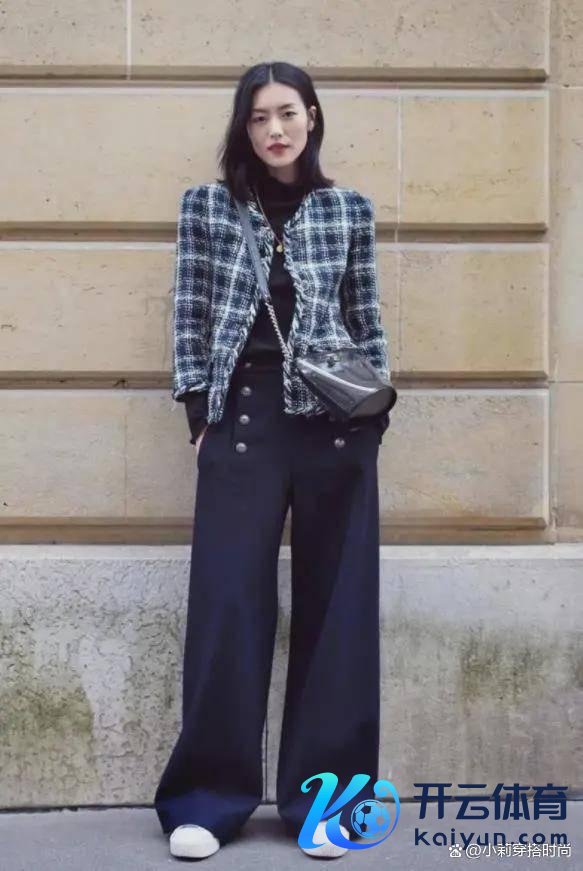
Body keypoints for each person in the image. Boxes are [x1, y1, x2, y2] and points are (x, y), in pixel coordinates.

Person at [154, 59, 393, 861]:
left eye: (286, 112)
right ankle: (207, 799)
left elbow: (365, 316)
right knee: (228, 607)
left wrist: (373, 419)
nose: (274, 130)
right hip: (243, 422)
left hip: (334, 429)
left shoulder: (346, 209)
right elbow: (189, 309)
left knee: (338, 616)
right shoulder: (208, 205)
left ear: (312, 116)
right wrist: (200, 413)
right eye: (258, 117)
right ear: (243, 127)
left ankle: (327, 806)